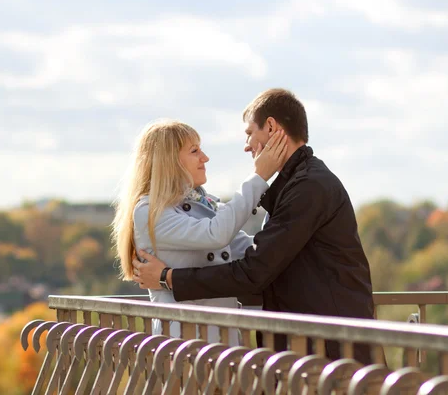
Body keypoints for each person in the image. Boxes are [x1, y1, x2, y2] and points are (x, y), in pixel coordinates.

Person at [132, 88, 376, 366]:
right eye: (195, 150)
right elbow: (254, 254)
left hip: (327, 344)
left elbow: (253, 265)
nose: (247, 145)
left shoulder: (308, 186)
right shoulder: (297, 184)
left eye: (249, 133)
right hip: (208, 344)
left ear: (271, 127)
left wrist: (168, 278)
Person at [111, 118, 288, 345]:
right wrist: (258, 177)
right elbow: (215, 235)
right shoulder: (150, 212)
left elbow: (247, 249)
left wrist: (294, 234)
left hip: (221, 341)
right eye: (195, 151)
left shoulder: (203, 205)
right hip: (183, 345)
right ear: (169, 162)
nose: (205, 158)